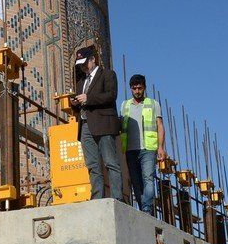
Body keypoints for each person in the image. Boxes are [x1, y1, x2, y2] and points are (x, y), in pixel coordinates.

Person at [68, 43, 123, 202]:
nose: (83, 67)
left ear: (92, 59)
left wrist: (88, 98)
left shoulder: (108, 75)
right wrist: (75, 103)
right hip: (85, 125)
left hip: (104, 124)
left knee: (111, 162)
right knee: (92, 165)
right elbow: (82, 103)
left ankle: (117, 198)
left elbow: (111, 96)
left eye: (85, 63)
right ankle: (97, 197)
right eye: (81, 65)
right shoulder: (81, 83)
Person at [119, 74, 166, 215]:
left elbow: (160, 126)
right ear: (131, 89)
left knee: (148, 178)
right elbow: (121, 125)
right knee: (135, 181)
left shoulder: (153, 104)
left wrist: (161, 147)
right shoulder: (125, 105)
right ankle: (143, 209)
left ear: (144, 88)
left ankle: (146, 207)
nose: (137, 91)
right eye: (134, 88)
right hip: (130, 149)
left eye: (139, 88)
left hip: (148, 148)